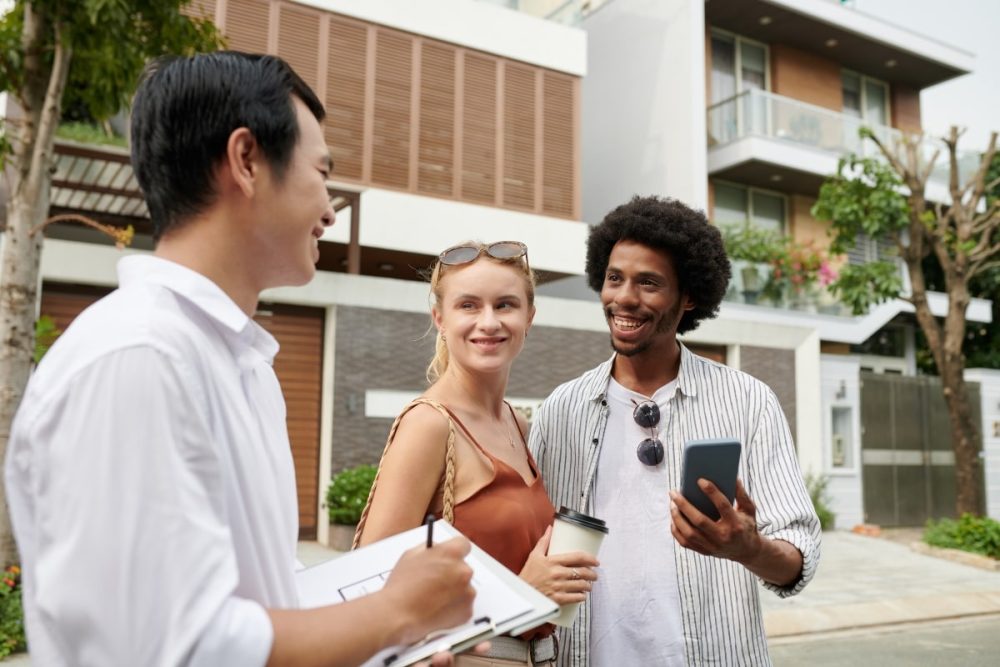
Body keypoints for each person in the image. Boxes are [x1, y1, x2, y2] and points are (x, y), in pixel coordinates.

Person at [4, 51, 478, 667]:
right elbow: (166, 649)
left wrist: (378, 644)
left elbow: (265, 604)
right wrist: (396, 612)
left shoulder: (243, 366)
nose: (331, 210)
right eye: (320, 174)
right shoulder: (136, 359)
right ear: (247, 160)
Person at [529, 195, 822, 666]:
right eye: (614, 278)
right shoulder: (561, 409)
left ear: (688, 298)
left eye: (649, 283)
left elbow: (796, 560)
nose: (624, 297)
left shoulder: (748, 401)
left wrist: (750, 548)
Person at [355, 240, 599, 666]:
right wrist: (522, 593)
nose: (488, 322)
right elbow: (367, 586)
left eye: (505, 305)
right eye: (469, 305)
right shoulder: (429, 425)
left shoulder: (517, 424)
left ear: (530, 318)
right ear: (440, 319)